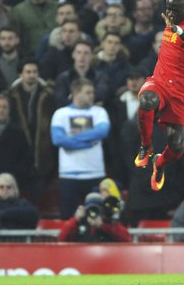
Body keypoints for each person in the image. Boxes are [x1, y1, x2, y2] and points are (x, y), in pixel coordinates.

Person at [134, 0, 184, 192]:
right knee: (147, 100)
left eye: (175, 9)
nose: (171, 13)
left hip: (181, 93)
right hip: (160, 82)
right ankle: (146, 146)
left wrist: (177, 30)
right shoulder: (170, 21)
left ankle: (160, 163)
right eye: (168, 8)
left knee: (177, 146)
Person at [51, 79, 110, 219]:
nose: (92, 96)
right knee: (69, 218)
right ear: (76, 93)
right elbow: (58, 139)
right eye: (88, 92)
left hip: (95, 173)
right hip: (69, 174)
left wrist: (71, 140)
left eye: (92, 92)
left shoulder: (99, 112)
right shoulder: (61, 114)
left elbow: (102, 131)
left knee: (97, 217)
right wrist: (88, 142)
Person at [58, 192, 130, 242]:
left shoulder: (109, 223)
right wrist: (75, 220)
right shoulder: (79, 223)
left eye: (96, 209)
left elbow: (127, 238)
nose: (93, 212)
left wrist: (103, 225)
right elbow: (61, 240)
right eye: (90, 209)